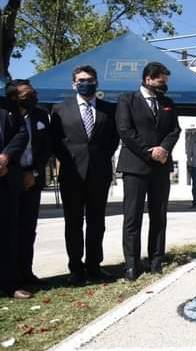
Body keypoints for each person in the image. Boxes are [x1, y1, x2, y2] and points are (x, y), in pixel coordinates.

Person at [51, 65, 119, 285]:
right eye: (81, 80)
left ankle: (94, 266)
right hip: (71, 175)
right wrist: (70, 161)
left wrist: (99, 158)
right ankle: (76, 268)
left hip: (99, 174)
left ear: (97, 82)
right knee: (73, 223)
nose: (85, 83)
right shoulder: (59, 109)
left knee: (97, 222)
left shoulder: (110, 109)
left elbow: (113, 140)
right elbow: (55, 142)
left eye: (89, 79)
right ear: (74, 84)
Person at [116, 62, 181, 280]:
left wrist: (164, 149)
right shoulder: (127, 100)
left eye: (166, 81)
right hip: (135, 166)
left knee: (158, 215)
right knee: (132, 217)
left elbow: (174, 130)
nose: (164, 85)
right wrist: (148, 152)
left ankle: (156, 260)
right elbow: (125, 130)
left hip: (161, 167)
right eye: (161, 81)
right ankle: (132, 265)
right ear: (148, 79)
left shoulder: (168, 103)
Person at [6, 80, 52, 287]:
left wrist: (33, 172)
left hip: (33, 178)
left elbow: (46, 147)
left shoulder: (41, 115)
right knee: (10, 229)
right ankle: (12, 278)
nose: (33, 96)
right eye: (27, 94)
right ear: (15, 97)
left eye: (33, 92)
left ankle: (27, 272)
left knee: (28, 228)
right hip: (9, 179)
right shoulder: (6, 116)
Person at [0, 104, 30, 298]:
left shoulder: (7, 109)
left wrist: (5, 157)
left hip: (6, 178)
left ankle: (9, 283)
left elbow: (21, 134)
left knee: (8, 233)